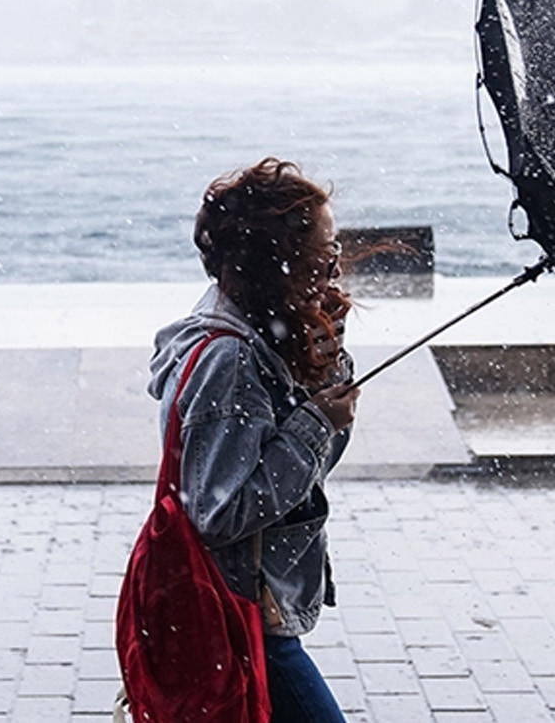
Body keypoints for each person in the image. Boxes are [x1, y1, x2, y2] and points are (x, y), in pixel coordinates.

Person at [147, 157, 359, 723]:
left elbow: (306, 474)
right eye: (322, 256)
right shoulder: (231, 359)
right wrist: (314, 423)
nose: (334, 269)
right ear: (278, 263)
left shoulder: (253, 330)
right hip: (239, 611)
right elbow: (222, 509)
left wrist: (324, 373)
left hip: (244, 607)